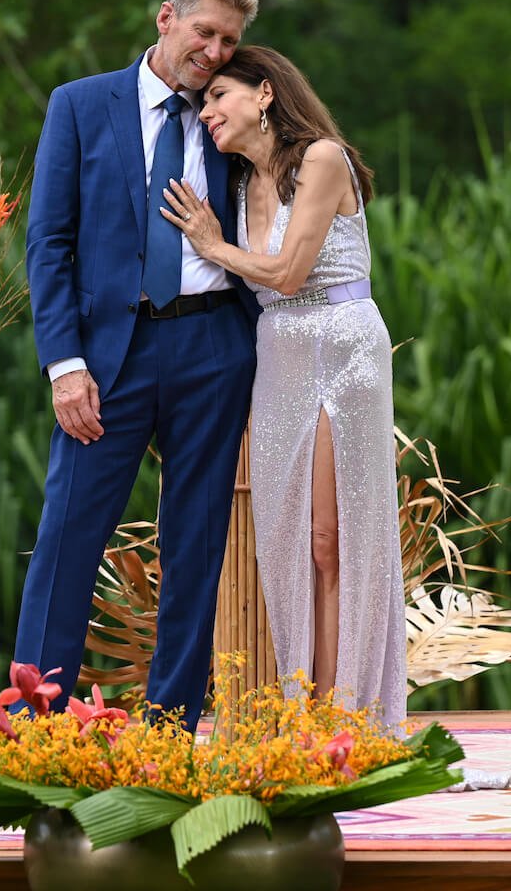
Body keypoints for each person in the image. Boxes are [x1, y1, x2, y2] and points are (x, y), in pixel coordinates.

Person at [14, 0, 262, 731]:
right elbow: (49, 243)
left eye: (229, 40)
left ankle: (170, 729)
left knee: (194, 548)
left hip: (216, 348)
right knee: (67, 538)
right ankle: (37, 724)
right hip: (108, 360)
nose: (216, 52)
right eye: (205, 32)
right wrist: (65, 365)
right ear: (166, 18)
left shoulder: (230, 118)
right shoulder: (82, 106)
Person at [161, 45, 406, 723]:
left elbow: (292, 273)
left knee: (332, 537)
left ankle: (344, 716)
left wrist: (214, 248)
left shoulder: (324, 159)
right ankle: (307, 709)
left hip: (341, 345)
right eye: (203, 102)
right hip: (280, 357)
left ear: (264, 94)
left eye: (218, 96)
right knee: (288, 539)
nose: (206, 110)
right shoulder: (239, 186)